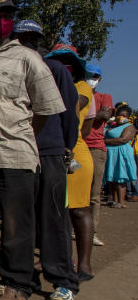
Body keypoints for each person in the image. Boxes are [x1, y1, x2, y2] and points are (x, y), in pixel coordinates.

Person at [0, 0, 65, 300]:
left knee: (16, 229)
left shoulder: (28, 58)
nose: (2, 21)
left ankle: (16, 286)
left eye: (6, 16)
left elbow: (43, 109)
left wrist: (20, 134)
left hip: (15, 157)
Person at [12, 20, 80, 300]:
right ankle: (23, 277)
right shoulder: (8, 68)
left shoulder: (54, 70)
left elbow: (68, 112)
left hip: (49, 151)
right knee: (20, 219)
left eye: (33, 38)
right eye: (22, 37)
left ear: (40, 42)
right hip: (16, 152)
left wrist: (66, 146)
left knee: (53, 218)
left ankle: (63, 279)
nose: (28, 42)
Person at [45, 44, 96, 281]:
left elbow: (74, 111)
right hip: (53, 150)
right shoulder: (47, 84)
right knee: (56, 211)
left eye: (68, 62)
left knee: (78, 210)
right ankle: (63, 259)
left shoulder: (82, 86)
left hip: (74, 153)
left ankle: (84, 264)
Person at [82, 64, 113, 245]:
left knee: (93, 193)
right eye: (87, 74)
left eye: (93, 76)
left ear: (99, 79)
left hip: (95, 148)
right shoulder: (78, 93)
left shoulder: (103, 97)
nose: (90, 78)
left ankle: (91, 231)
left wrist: (87, 114)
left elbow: (104, 115)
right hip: (78, 146)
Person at [103, 103, 137, 207]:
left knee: (120, 178)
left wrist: (103, 141)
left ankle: (121, 202)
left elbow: (123, 139)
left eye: (124, 115)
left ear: (128, 117)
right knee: (112, 178)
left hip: (121, 153)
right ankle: (113, 199)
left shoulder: (129, 127)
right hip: (110, 153)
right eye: (119, 114)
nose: (121, 117)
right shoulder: (110, 125)